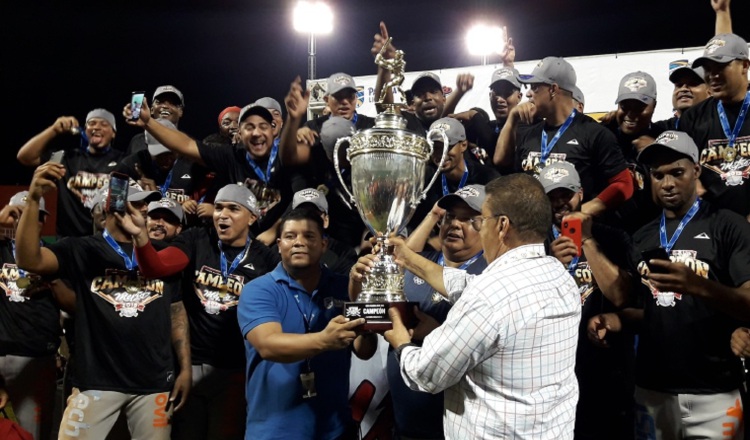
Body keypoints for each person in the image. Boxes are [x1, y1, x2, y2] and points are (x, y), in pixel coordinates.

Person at [383, 173, 581, 439]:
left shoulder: (490, 296)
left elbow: (426, 374)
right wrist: (408, 258)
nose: (479, 227)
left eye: (480, 220)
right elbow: (468, 283)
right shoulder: (557, 273)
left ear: (501, 226)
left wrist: (401, 342)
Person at [589, 130, 750, 439]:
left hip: (715, 390)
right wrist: (617, 319)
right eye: (658, 175)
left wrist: (699, 286)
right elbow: (649, 310)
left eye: (677, 172)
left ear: (696, 171)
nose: (668, 183)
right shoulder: (642, 236)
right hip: (653, 389)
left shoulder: (728, 225)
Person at [14, 162, 190, 439]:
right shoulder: (81, 249)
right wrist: (34, 198)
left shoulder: (160, 253)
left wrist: (185, 367)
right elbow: (29, 260)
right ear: (110, 208)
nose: (145, 209)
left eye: (146, 204)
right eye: (136, 203)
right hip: (97, 381)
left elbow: (176, 313)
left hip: (153, 382)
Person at [133, 184, 280, 440]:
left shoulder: (266, 259)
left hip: (235, 371)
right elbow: (156, 266)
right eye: (219, 207)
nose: (222, 214)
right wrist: (139, 236)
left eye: (233, 209)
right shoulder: (196, 239)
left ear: (252, 217)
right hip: (189, 366)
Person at [354, 185, 488, 440]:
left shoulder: (488, 274)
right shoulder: (417, 263)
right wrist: (364, 317)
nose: (456, 224)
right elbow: (368, 337)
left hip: (457, 428)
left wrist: (437, 332)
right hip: (404, 422)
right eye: (450, 217)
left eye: (469, 219)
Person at [237, 208, 377, 440]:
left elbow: (364, 350)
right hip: (275, 431)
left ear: (324, 244)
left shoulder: (345, 286)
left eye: (309, 236)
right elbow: (268, 345)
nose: (299, 242)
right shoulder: (258, 290)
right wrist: (325, 340)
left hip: (335, 429)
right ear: (279, 244)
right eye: (291, 236)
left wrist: (367, 325)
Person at [540, 162, 637, 439]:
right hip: (552, 371)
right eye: (552, 197)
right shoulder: (534, 245)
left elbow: (622, 295)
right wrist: (549, 263)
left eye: (566, 195)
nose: (560, 204)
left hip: (604, 369)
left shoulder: (613, 237)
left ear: (580, 194)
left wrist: (589, 240)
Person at [125, 99, 295, 235]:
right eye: (249, 127)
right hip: (243, 241)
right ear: (239, 134)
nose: (256, 132)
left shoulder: (288, 158)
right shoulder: (231, 156)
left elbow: (303, 200)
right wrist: (148, 122)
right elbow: (186, 145)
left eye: (263, 126)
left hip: (281, 240)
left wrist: (273, 232)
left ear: (273, 130)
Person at [495, 56, 634, 217]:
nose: (528, 94)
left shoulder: (595, 133)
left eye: (535, 88)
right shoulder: (530, 132)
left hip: (573, 235)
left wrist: (583, 212)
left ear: (553, 90)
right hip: (534, 231)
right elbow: (501, 162)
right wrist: (512, 118)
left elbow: (624, 184)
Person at [280, 75, 376, 247]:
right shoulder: (313, 128)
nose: (345, 102)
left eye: (350, 96)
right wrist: (293, 121)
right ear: (326, 99)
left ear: (356, 99)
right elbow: (289, 157)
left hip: (364, 216)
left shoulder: (371, 127)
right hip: (328, 217)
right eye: (338, 97)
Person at [0, 192, 60, 440]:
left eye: (31, 217)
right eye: (17, 215)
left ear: (42, 221)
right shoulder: (1, 249)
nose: (22, 222)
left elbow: (71, 303)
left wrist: (52, 281)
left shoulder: (55, 255)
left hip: (35, 358)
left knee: (32, 434)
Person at [17, 108, 123, 236]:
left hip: (108, 241)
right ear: (85, 130)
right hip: (69, 242)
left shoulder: (123, 161)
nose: (97, 127)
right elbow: (25, 157)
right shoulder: (65, 158)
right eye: (92, 123)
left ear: (113, 133)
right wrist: (53, 130)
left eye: (104, 124)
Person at [678, 33, 750, 219]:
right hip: (711, 226)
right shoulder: (692, 118)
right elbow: (681, 165)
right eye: (708, 69)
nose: (713, 75)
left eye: (721, 67)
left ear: (744, 65)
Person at [410, 117, 499, 238]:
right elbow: (413, 225)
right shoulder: (425, 180)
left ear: (463, 145)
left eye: (447, 147)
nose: (441, 155)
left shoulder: (487, 178)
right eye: (435, 148)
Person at [601, 71, 665, 233]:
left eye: (639, 107)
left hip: (652, 231)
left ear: (654, 106)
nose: (630, 114)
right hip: (608, 231)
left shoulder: (665, 136)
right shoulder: (602, 135)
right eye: (625, 106)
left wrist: (659, 149)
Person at [115, 118, 203, 209]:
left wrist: (157, 197)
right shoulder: (129, 166)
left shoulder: (193, 164)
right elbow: (114, 205)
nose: (166, 159)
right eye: (160, 155)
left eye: (171, 153)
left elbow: (205, 207)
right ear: (147, 145)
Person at [127, 85, 186, 155]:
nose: (165, 106)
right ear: (151, 110)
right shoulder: (138, 141)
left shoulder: (188, 143)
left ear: (180, 112)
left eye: (172, 103)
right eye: (160, 102)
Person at [655, 60, 709, 131]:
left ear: (710, 91)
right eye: (679, 85)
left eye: (693, 84)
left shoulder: (721, 123)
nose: (683, 89)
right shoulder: (659, 130)